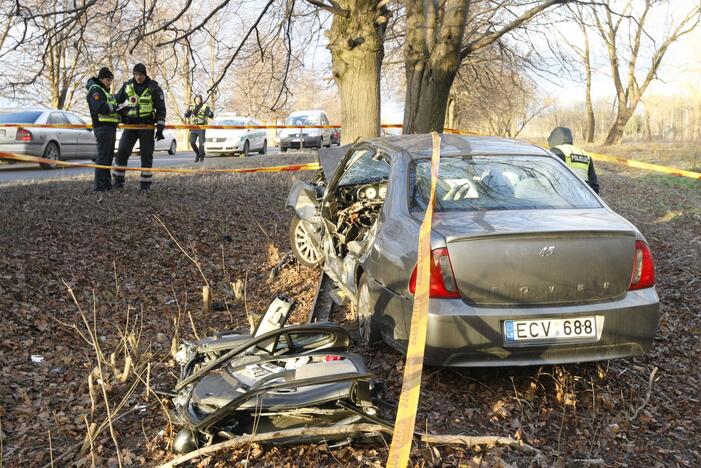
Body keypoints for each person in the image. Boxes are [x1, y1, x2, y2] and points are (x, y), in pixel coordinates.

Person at [113, 63, 167, 191]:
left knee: (146, 155)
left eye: (140, 75)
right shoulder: (127, 86)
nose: (138, 77)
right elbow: (117, 99)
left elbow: (161, 109)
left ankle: (145, 186)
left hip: (147, 126)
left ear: (145, 74)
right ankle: (118, 183)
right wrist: (117, 110)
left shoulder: (154, 88)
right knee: (122, 152)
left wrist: (160, 126)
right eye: (135, 75)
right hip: (131, 125)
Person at [86, 67, 121, 192]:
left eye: (111, 80)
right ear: (101, 78)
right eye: (108, 80)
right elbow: (100, 107)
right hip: (102, 127)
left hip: (109, 127)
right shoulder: (96, 90)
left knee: (108, 157)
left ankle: (106, 185)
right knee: (103, 157)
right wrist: (116, 107)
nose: (109, 82)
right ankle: (100, 187)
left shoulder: (104, 91)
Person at [548, 126, 600, 194]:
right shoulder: (584, 153)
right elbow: (594, 185)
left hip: (565, 196)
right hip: (585, 198)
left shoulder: (556, 151)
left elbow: (549, 179)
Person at [184, 94, 214, 162]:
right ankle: (197, 153)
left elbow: (211, 115)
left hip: (201, 127)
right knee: (192, 142)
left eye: (199, 99)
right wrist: (188, 113)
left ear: (201, 100)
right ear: (194, 100)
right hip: (193, 127)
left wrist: (210, 114)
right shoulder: (192, 107)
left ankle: (201, 156)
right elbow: (186, 115)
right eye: (196, 99)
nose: (198, 100)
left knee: (201, 143)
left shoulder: (205, 107)